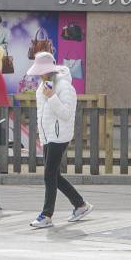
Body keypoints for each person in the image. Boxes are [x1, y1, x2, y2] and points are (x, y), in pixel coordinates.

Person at [28, 51, 92, 228]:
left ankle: (47, 215)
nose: (40, 75)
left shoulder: (65, 87)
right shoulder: (43, 86)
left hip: (59, 136)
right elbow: (43, 114)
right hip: (48, 135)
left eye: (42, 71)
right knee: (54, 175)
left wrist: (51, 97)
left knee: (49, 175)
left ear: (50, 69)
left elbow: (66, 113)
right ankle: (80, 205)